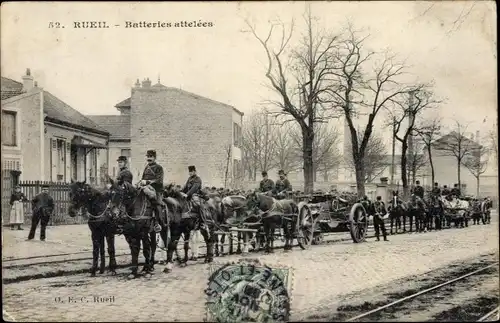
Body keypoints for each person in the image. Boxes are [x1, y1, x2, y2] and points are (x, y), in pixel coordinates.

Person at [138, 150, 165, 228]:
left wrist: (147, 182)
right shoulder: (146, 167)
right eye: (148, 157)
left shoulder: (159, 168)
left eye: (151, 157)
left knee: (156, 203)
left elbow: (159, 181)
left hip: (156, 190)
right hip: (145, 188)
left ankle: (158, 223)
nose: (149, 158)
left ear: (155, 158)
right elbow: (143, 178)